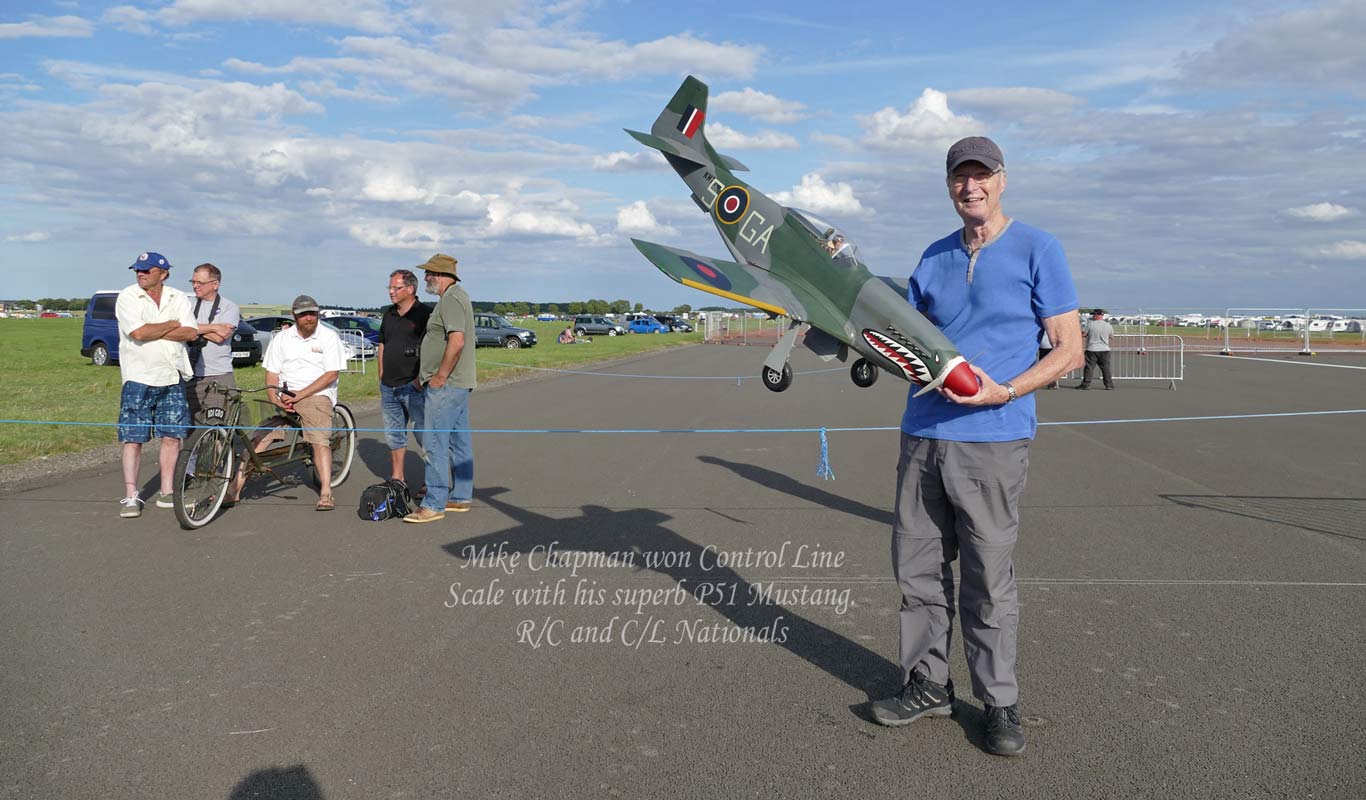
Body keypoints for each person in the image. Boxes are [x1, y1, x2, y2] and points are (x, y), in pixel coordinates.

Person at [870, 137, 1083, 757]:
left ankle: (999, 701)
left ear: (1002, 180)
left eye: (981, 175)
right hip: (923, 434)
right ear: (949, 187)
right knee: (917, 569)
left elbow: (1069, 350)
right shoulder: (933, 256)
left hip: (994, 437)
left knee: (988, 577)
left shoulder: (1039, 248)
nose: (971, 187)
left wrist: (1005, 391)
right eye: (960, 178)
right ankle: (927, 684)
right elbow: (901, 339)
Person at [229, 295, 345, 511]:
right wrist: (275, 399)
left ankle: (326, 492)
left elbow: (331, 374)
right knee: (258, 437)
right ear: (294, 316)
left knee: (319, 439)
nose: (309, 318)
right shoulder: (282, 338)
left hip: (316, 393)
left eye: (313, 313)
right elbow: (272, 374)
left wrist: (300, 395)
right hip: (285, 394)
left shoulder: (329, 337)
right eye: (303, 314)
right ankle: (234, 489)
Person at [114, 251, 200, 518]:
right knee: (133, 439)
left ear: (163, 274)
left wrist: (156, 329)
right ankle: (131, 496)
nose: (140, 274)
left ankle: (166, 491)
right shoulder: (128, 296)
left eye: (146, 270)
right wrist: (172, 324)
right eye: (137, 270)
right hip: (138, 377)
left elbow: (191, 332)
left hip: (172, 375)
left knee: (172, 437)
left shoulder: (178, 297)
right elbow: (138, 332)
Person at [404, 254, 476, 524]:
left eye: (429, 274)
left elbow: (457, 341)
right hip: (455, 384)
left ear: (442, 275)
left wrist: (439, 377)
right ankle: (460, 496)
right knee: (459, 442)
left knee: (434, 443)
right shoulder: (454, 297)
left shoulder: (452, 299)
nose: (425, 278)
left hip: (447, 385)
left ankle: (433, 504)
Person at [378, 269, 431, 488]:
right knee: (394, 435)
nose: (391, 291)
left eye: (395, 287)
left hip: (414, 386)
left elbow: (433, 350)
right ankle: (398, 479)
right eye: (389, 287)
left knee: (424, 435)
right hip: (389, 386)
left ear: (410, 289)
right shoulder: (388, 314)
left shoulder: (425, 315)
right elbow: (382, 344)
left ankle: (432, 482)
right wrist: (381, 375)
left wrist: (420, 380)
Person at [185, 263, 242, 424]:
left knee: (216, 424)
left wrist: (193, 328)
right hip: (189, 375)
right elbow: (180, 328)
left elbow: (221, 337)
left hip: (218, 374)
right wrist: (214, 327)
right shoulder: (187, 304)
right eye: (193, 282)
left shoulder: (229, 307)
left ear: (215, 284)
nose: (195, 286)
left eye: (200, 283)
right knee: (190, 426)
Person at [1078, 309, 1115, 390]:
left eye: (1093, 315)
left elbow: (1084, 334)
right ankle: (1109, 385)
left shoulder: (1090, 324)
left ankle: (1086, 384)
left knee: (1089, 367)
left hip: (1092, 349)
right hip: (1105, 350)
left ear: (1096, 315)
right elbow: (1111, 336)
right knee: (1106, 368)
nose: (1092, 316)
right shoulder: (1108, 325)